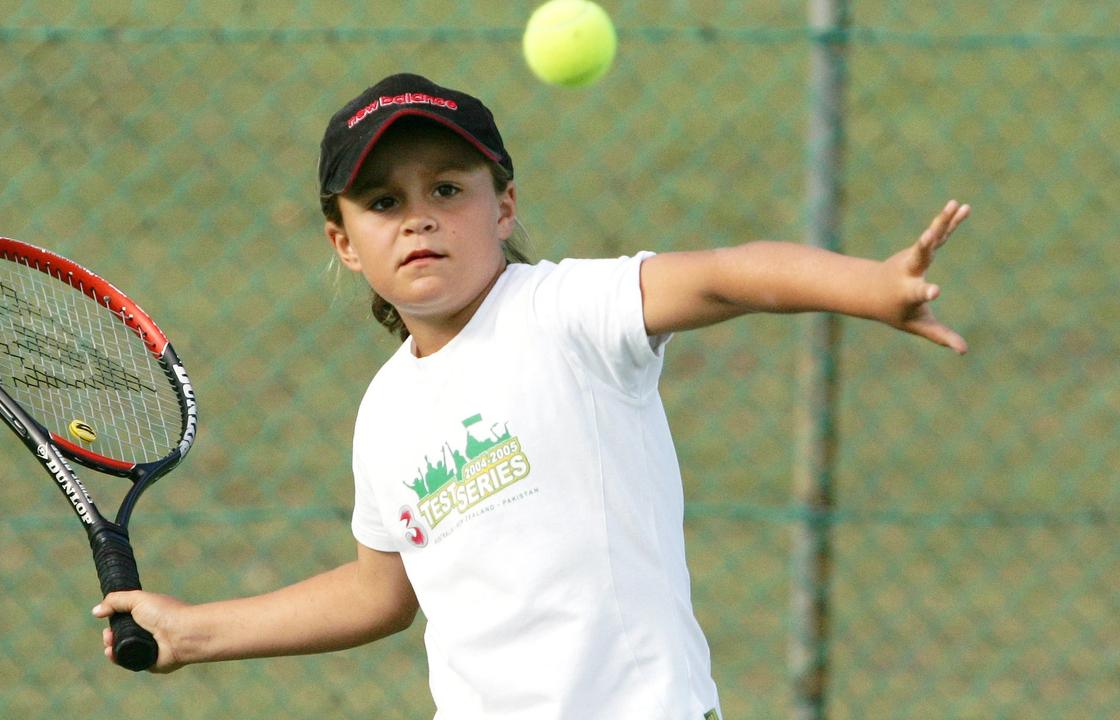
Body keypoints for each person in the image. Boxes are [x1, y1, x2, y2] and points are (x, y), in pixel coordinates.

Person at [93, 73, 970, 718]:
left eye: (447, 188)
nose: (419, 217)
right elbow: (380, 594)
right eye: (383, 200)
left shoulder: (564, 310)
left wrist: (871, 286)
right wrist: (195, 631)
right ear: (345, 242)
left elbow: (724, 277)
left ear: (503, 207)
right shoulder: (387, 411)